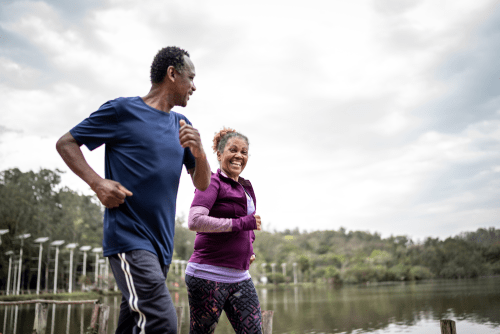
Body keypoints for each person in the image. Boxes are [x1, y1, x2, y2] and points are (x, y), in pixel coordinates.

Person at [56, 46, 211, 334]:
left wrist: (200, 152)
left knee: (131, 327)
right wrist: (97, 182)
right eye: (191, 77)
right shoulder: (122, 110)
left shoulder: (182, 125)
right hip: (129, 238)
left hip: (161, 246)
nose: (194, 86)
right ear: (172, 74)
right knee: (163, 323)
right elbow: (66, 143)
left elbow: (202, 184)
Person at [185, 127, 263, 334]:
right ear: (219, 154)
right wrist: (240, 224)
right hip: (207, 275)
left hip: (240, 277)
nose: (239, 156)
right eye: (233, 150)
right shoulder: (212, 182)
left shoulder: (246, 187)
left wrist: (249, 249)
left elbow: (249, 225)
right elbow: (195, 220)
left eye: (244, 152)